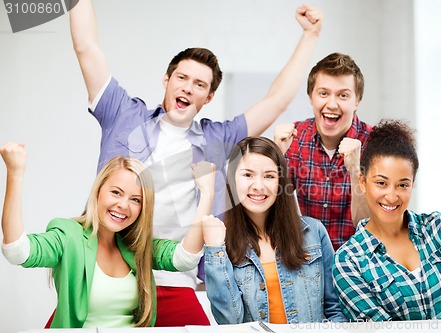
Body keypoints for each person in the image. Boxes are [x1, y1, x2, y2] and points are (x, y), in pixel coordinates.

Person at [70, 0, 323, 325]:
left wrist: (311, 35)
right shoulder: (122, 114)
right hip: (109, 270)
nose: (188, 88)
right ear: (167, 79)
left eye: (199, 85)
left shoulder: (216, 139)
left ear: (209, 97)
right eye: (182, 78)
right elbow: (86, 47)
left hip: (172, 276)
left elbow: (277, 101)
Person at [0, 142, 216, 328]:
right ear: (99, 191)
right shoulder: (68, 236)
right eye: (116, 192)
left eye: (135, 200)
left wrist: (206, 194)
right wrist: (15, 174)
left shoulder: (137, 246)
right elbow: (17, 251)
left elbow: (185, 258)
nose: (123, 205)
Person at [333, 120, 441, 321]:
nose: (391, 196)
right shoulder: (349, 261)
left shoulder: (435, 228)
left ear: (412, 185)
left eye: (402, 185)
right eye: (381, 183)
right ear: (362, 182)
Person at [202, 136, 346, 324]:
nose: (259, 186)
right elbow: (229, 322)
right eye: (248, 175)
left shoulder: (313, 232)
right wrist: (215, 250)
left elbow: (336, 310)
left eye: (269, 176)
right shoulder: (221, 243)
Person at [274, 52, 372, 251]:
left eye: (343, 95)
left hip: (358, 265)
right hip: (308, 262)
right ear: (311, 97)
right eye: (323, 93)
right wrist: (275, 159)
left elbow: (371, 227)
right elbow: (273, 216)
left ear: (357, 101)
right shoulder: (294, 138)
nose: (332, 104)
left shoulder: (375, 144)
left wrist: (355, 171)